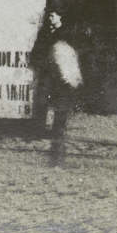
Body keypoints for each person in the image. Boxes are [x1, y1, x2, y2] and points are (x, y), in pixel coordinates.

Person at [30, 12, 81, 165]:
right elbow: (37, 50)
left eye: (53, 16)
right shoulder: (44, 32)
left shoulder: (67, 33)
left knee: (61, 102)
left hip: (61, 73)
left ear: (60, 17)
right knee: (42, 100)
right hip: (47, 72)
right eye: (50, 16)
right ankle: (39, 129)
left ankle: (57, 130)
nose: (50, 18)